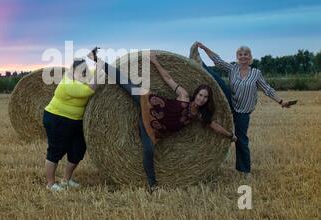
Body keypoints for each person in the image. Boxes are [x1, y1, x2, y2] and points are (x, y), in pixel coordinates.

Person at [87, 48, 236, 191]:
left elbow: (214, 126)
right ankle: (96, 59)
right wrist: (155, 61)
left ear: (207, 100)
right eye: (200, 95)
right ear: (196, 94)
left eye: (205, 97)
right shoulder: (183, 95)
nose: (201, 99)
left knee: (148, 151)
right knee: (126, 84)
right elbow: (168, 78)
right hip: (150, 103)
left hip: (154, 128)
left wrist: (230, 135)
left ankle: (152, 185)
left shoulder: (199, 116)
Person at [194, 42, 294, 177]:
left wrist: (281, 101)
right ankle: (199, 63)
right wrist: (204, 48)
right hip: (230, 102)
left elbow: (267, 89)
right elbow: (217, 61)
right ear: (237, 57)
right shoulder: (233, 69)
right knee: (217, 80)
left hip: (242, 111)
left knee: (241, 139)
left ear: (250, 57)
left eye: (245, 54)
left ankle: (245, 170)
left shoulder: (256, 73)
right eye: (240, 55)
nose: (243, 57)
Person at [43, 57, 96, 191]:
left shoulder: (83, 77)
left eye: (86, 71)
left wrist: (100, 63)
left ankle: (66, 180)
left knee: (77, 150)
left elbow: (97, 73)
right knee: (56, 150)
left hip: (76, 121)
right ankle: (50, 184)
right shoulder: (68, 83)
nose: (85, 74)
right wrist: (100, 70)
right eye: (82, 72)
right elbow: (90, 90)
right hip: (57, 119)